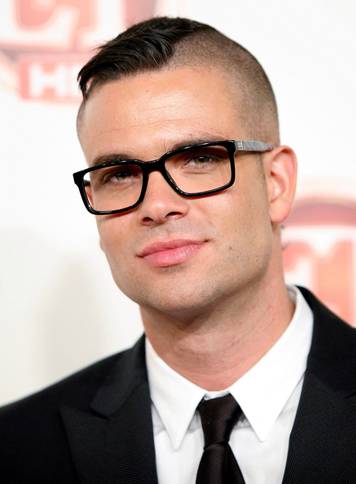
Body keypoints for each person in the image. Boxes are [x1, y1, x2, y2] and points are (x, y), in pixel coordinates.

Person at [1, 16, 355, 484]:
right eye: (120, 174)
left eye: (199, 159)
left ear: (276, 184)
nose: (157, 205)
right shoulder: (16, 448)